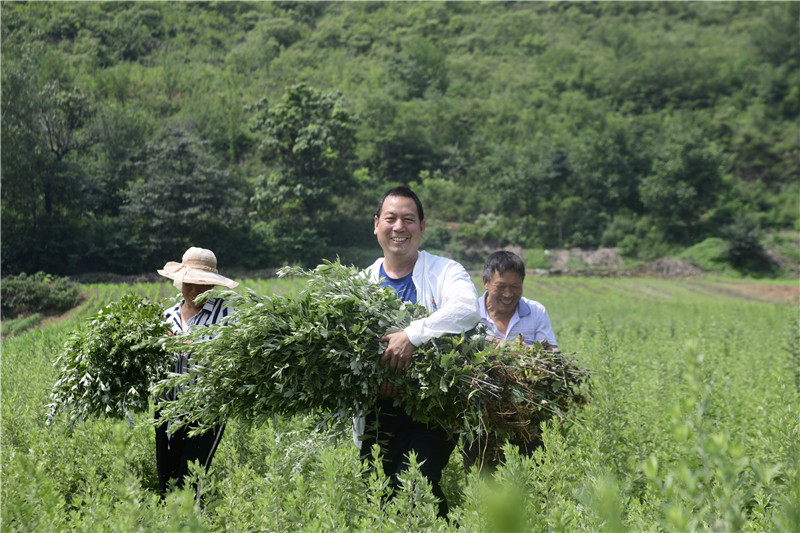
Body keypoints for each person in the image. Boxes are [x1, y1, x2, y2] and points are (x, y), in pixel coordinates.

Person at [355, 186, 480, 518]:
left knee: (415, 485)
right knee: (377, 495)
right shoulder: (360, 282)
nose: (399, 227)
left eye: (409, 220)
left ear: (422, 227)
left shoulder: (445, 271)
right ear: (376, 224)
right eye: (391, 218)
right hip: (377, 413)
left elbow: (467, 310)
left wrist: (412, 335)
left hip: (433, 409)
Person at [155, 246, 239, 498]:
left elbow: (227, 356)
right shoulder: (166, 316)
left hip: (206, 410)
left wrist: (180, 344)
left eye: (201, 285)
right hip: (167, 407)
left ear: (212, 286)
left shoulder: (226, 313)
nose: (193, 291)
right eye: (188, 283)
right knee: (166, 482)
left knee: (189, 481)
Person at [478, 250, 557, 349]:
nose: (508, 294)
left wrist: (517, 348)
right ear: (486, 282)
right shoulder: (470, 313)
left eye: (515, 286)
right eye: (501, 286)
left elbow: (552, 353)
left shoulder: (536, 311)